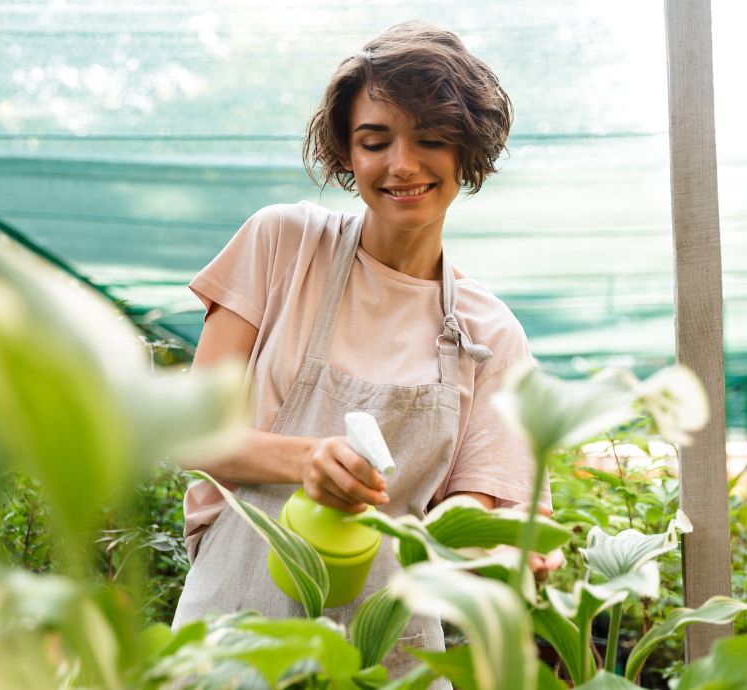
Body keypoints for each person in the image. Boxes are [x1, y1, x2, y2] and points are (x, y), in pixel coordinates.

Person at [172, 20, 561, 678]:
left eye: (430, 139)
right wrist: (307, 459)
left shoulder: (491, 332)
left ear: (466, 150)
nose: (402, 165)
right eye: (375, 142)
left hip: (395, 642)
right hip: (236, 624)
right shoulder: (284, 245)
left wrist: (494, 542)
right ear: (347, 154)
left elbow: (492, 506)